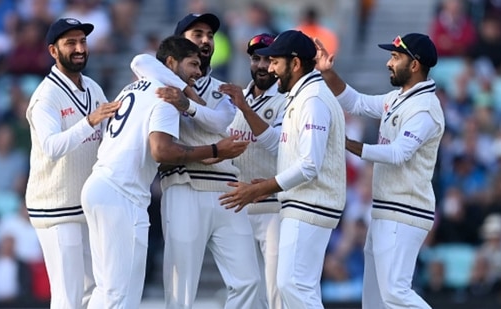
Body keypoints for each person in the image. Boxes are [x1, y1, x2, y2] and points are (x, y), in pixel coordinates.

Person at [80, 35, 249, 308]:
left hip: (99, 185)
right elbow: (162, 150)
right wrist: (215, 151)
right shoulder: (166, 95)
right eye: (193, 64)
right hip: (123, 195)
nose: (198, 71)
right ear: (171, 62)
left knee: (106, 289)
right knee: (122, 293)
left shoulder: (132, 87)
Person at [131, 13, 261, 309]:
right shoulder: (159, 81)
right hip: (184, 186)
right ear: (179, 44)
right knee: (180, 290)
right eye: (197, 34)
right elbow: (139, 60)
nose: (205, 40)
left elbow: (222, 124)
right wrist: (184, 90)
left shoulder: (222, 89)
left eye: (209, 35)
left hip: (227, 191)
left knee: (248, 282)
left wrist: (186, 103)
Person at [315, 32, 445, 308]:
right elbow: (357, 102)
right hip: (386, 209)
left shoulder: (424, 109)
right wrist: (328, 72)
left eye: (396, 57)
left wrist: (348, 144)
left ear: (415, 65)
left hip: (406, 211)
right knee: (373, 299)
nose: (389, 62)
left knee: (395, 293)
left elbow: (399, 153)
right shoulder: (399, 98)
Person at [219, 29, 347, 309]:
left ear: (296, 63)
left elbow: (310, 165)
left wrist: (259, 188)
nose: (271, 69)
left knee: (291, 287)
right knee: (295, 289)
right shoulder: (301, 96)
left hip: (311, 204)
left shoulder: (312, 100)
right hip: (303, 204)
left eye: (275, 61)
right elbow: (286, 149)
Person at [25, 18, 121, 308]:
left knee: (93, 290)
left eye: (83, 41)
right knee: (68, 296)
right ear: (53, 51)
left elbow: (108, 135)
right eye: (71, 43)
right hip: (55, 208)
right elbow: (53, 148)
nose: (79, 48)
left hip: (86, 204)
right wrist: (89, 121)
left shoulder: (91, 86)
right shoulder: (45, 97)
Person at [219, 33, 286, 309]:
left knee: (276, 291)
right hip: (240, 209)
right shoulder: (235, 99)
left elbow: (279, 148)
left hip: (274, 208)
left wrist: (244, 108)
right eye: (256, 58)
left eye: (269, 59)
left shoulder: (287, 99)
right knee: (248, 291)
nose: (262, 65)